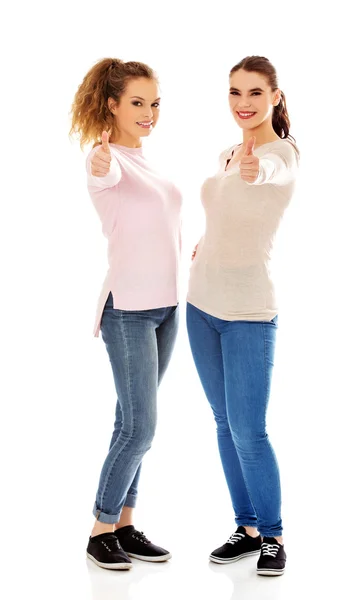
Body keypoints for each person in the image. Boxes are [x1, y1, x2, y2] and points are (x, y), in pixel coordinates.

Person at [186, 56, 299, 577]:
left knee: (250, 429)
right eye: (235, 92)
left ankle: (273, 536)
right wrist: (208, 242)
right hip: (201, 304)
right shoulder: (229, 152)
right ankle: (247, 527)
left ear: (275, 96)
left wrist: (259, 169)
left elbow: (270, 174)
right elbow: (230, 211)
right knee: (223, 424)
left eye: (255, 93)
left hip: (250, 312)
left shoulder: (281, 154)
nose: (243, 103)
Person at [70, 58, 182, 570]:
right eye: (137, 103)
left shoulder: (150, 162)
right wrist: (101, 161)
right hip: (129, 312)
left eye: (154, 103)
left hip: (166, 308)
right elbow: (105, 172)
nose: (149, 112)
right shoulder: (106, 160)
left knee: (129, 421)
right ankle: (100, 530)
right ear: (111, 105)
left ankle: (126, 524)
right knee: (141, 428)